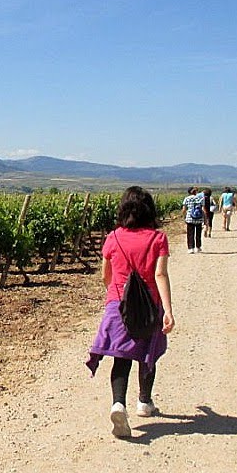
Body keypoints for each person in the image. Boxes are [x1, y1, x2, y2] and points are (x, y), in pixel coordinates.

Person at [86, 186, 174, 438]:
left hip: (118, 305)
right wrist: (167, 310)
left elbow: (106, 275)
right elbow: (160, 274)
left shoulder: (113, 237)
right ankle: (144, 403)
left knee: (120, 357)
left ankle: (118, 404)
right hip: (149, 307)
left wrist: (116, 296)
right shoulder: (158, 238)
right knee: (148, 353)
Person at [182, 187, 205, 253]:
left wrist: (184, 217)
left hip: (190, 218)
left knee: (190, 234)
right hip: (199, 218)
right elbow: (203, 209)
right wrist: (204, 219)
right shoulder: (201, 198)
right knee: (198, 233)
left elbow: (184, 209)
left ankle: (190, 248)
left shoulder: (187, 198)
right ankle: (198, 247)